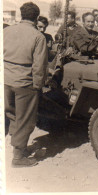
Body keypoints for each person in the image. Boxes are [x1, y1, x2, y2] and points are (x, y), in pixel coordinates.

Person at [4, 2, 48, 167]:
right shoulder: (38, 37)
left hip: (6, 80)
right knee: (25, 120)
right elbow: (39, 66)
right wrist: (38, 86)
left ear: (21, 14)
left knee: (12, 115)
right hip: (24, 83)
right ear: (36, 18)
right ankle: (18, 158)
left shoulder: (6, 31)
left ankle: (18, 149)